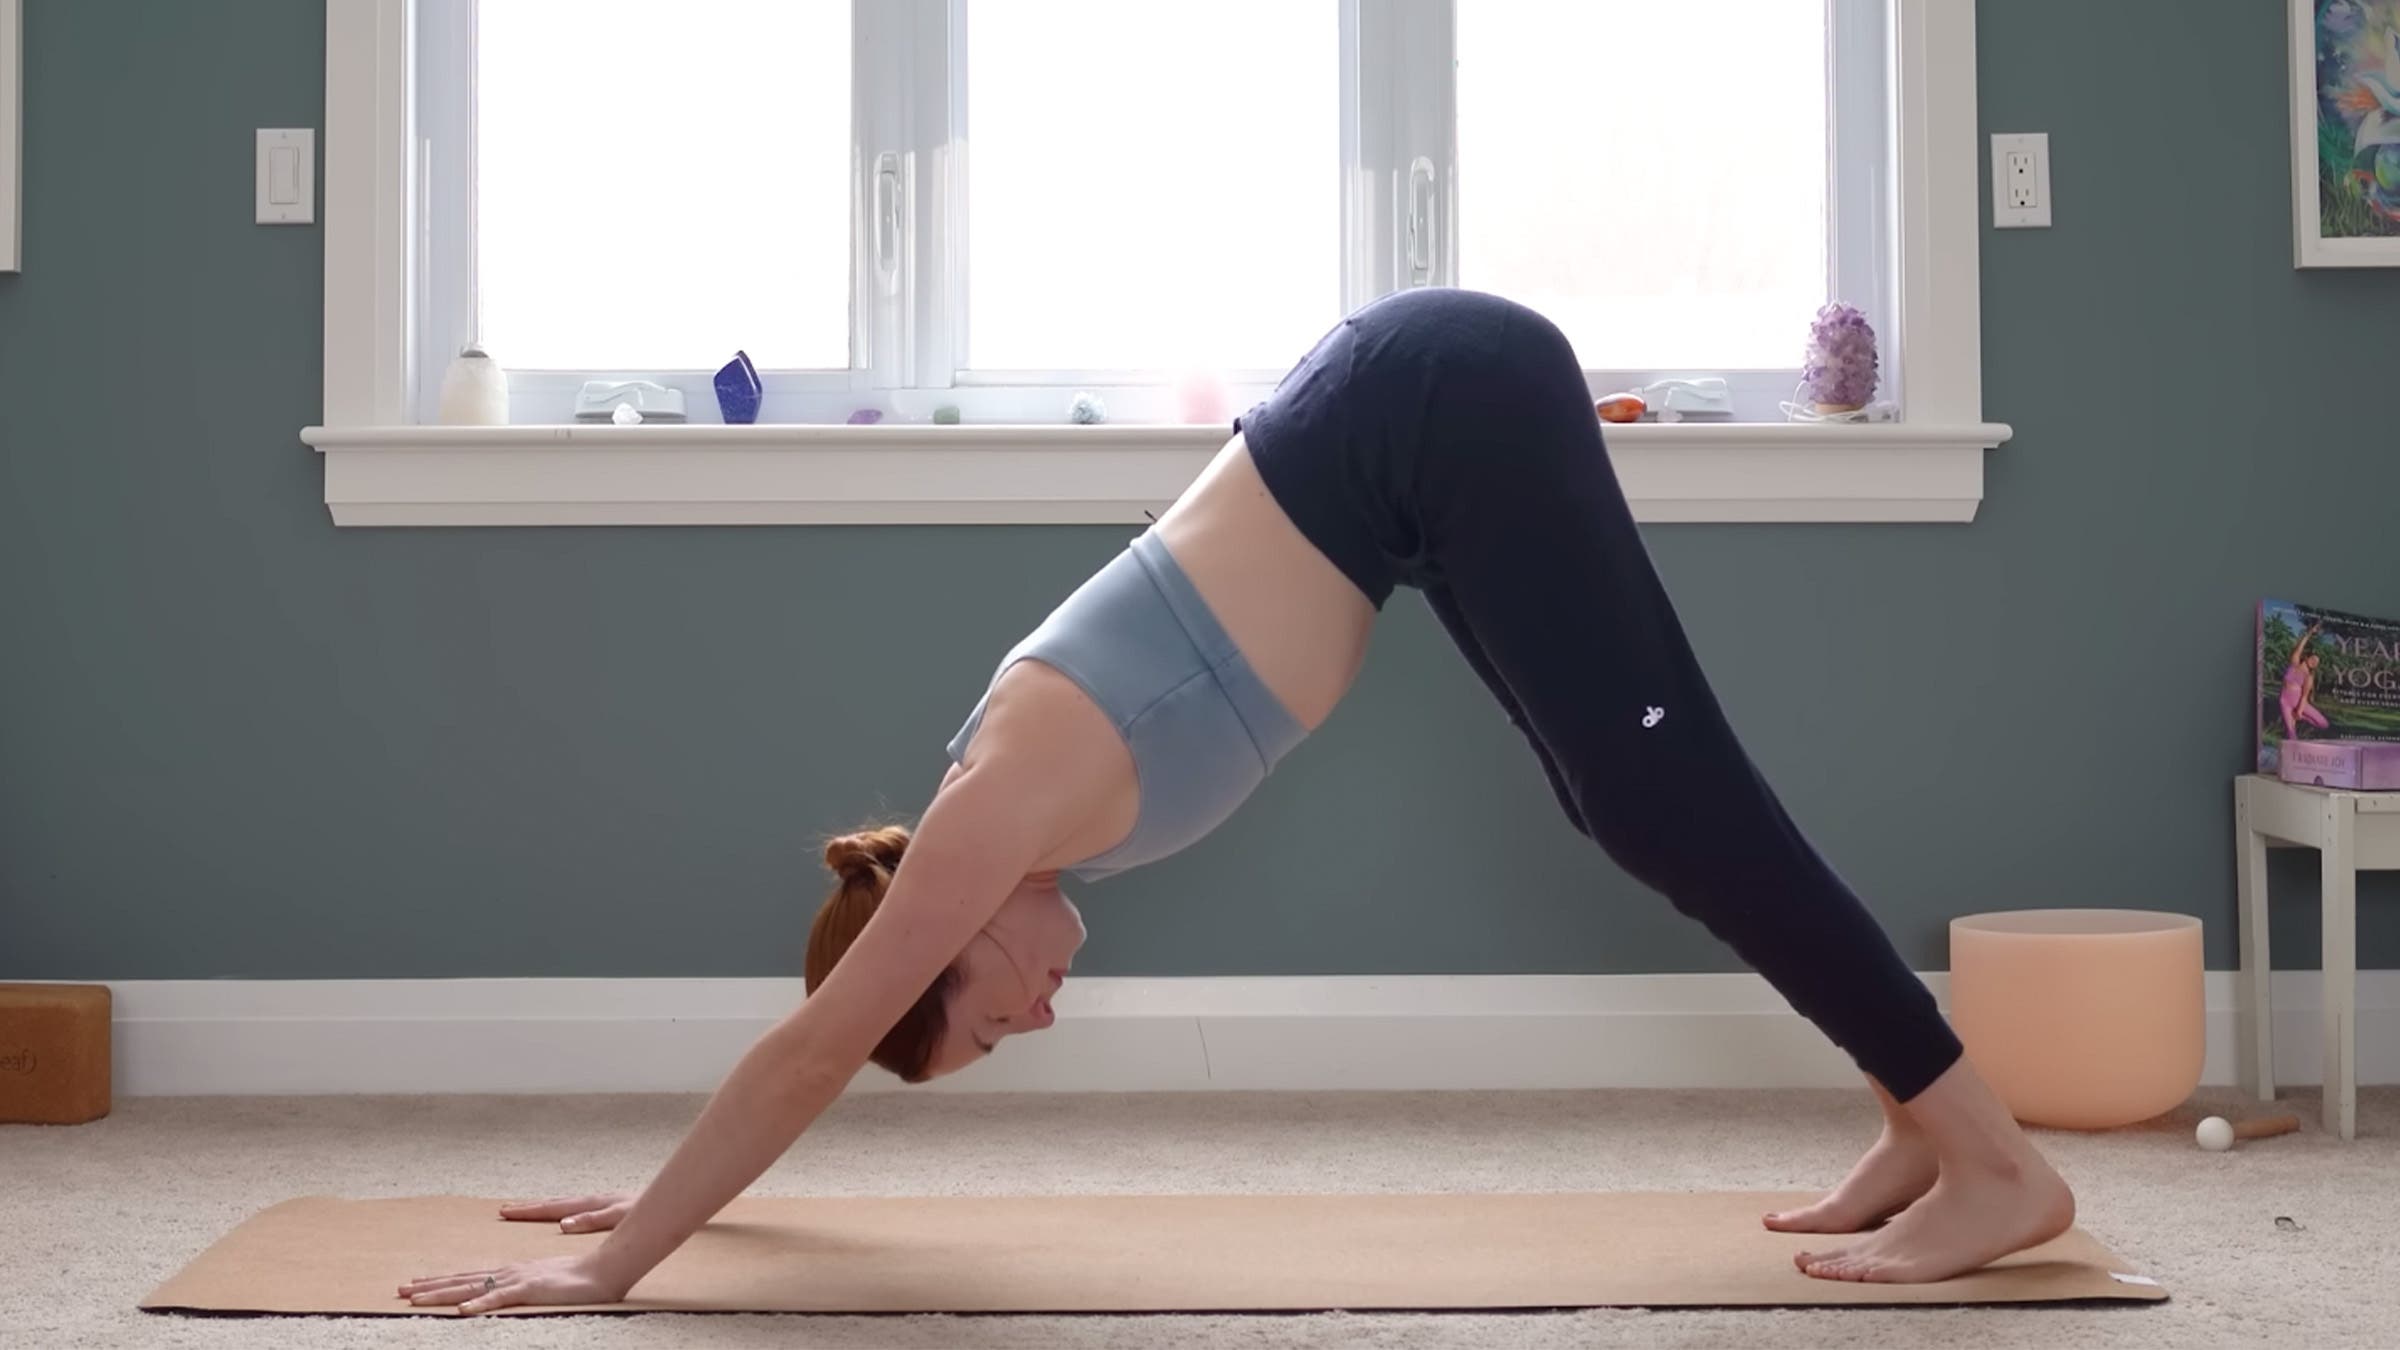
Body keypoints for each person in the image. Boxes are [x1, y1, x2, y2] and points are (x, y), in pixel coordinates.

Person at [398, 289, 2074, 1314]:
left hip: (1434, 404)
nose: (1036, 1022)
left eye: (986, 1022)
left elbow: (816, 1042)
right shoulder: (1017, 823)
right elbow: (838, 1046)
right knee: (1622, 804)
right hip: (1408, 459)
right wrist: (684, 1189)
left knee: (1672, 799)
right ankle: (1918, 1120)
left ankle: (1996, 1164)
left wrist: (620, 1263)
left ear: (945, 941)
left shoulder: (997, 806)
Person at [2281, 618, 2330, 741]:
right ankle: (2294, 756)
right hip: (2284, 701)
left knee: (2324, 724)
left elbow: (2304, 696)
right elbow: (2300, 647)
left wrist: (2299, 712)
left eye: (2317, 663)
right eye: (2314, 659)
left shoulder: (2309, 677)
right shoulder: (2294, 663)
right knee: (2291, 733)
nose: (2315, 662)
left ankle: (2301, 716)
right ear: (2307, 657)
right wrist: (2309, 633)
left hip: (2298, 702)